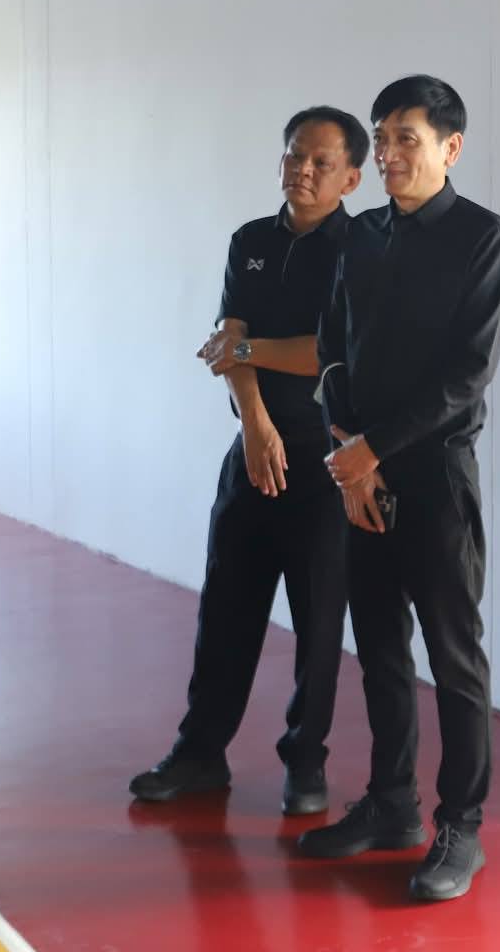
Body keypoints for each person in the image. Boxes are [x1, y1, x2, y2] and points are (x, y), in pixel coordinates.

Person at [295, 74, 500, 904]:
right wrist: (348, 447)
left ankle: (461, 823)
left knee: (455, 658)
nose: (387, 154)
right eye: (381, 138)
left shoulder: (484, 238)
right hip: (360, 472)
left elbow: (468, 374)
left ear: (450, 148)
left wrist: (373, 450)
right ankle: (392, 804)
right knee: (381, 647)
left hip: (435, 477)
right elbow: (332, 349)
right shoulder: (361, 235)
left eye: (405, 139)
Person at [128, 107, 365, 816]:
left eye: (322, 162)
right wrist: (256, 425)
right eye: (294, 155)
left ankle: (306, 762)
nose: (303, 171)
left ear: (352, 178)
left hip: (326, 462)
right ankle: (200, 752)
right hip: (254, 451)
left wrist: (243, 349)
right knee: (226, 609)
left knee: (318, 621)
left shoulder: (362, 250)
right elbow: (229, 330)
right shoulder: (251, 240)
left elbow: (327, 353)